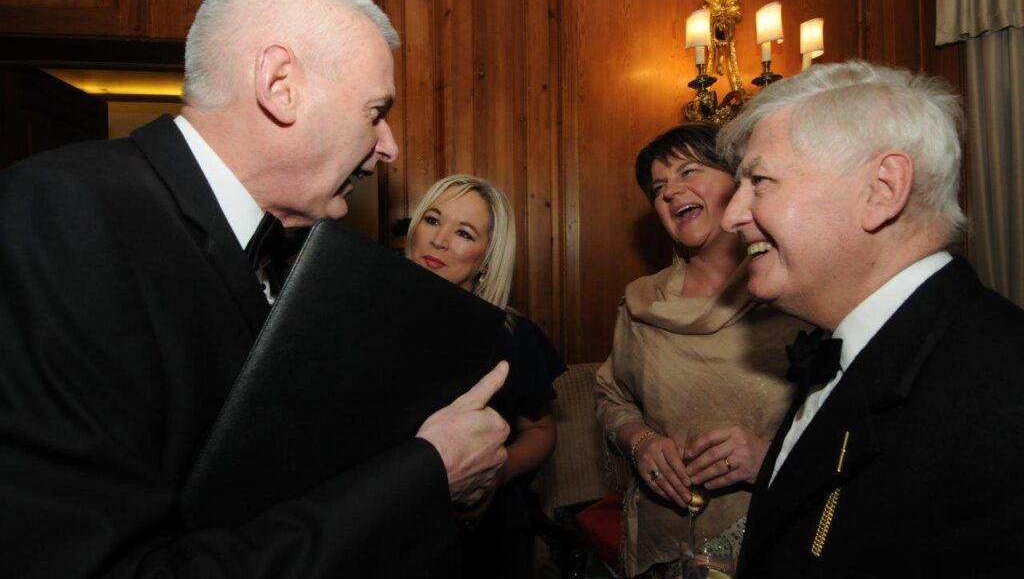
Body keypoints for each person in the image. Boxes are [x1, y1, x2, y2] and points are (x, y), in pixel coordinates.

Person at [0, 0, 510, 578]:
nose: (389, 146)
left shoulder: (290, 255)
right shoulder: (59, 218)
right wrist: (427, 474)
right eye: (376, 111)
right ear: (279, 85)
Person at [718, 60, 1024, 577]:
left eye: (760, 180)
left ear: (883, 189)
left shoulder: (1003, 394)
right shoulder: (862, 345)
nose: (731, 215)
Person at [593, 124, 807, 577]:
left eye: (689, 170)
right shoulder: (641, 302)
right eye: (658, 188)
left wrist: (769, 458)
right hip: (660, 542)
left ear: (740, 179)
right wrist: (640, 443)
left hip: (777, 529)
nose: (671, 191)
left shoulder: (796, 294)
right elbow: (612, 398)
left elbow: (854, 427)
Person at [406, 174, 566, 578]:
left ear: (488, 256)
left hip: (482, 536)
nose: (439, 240)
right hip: (383, 528)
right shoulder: (362, 316)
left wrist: (494, 478)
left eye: (463, 232)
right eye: (432, 220)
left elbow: (542, 431)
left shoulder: (514, 336)